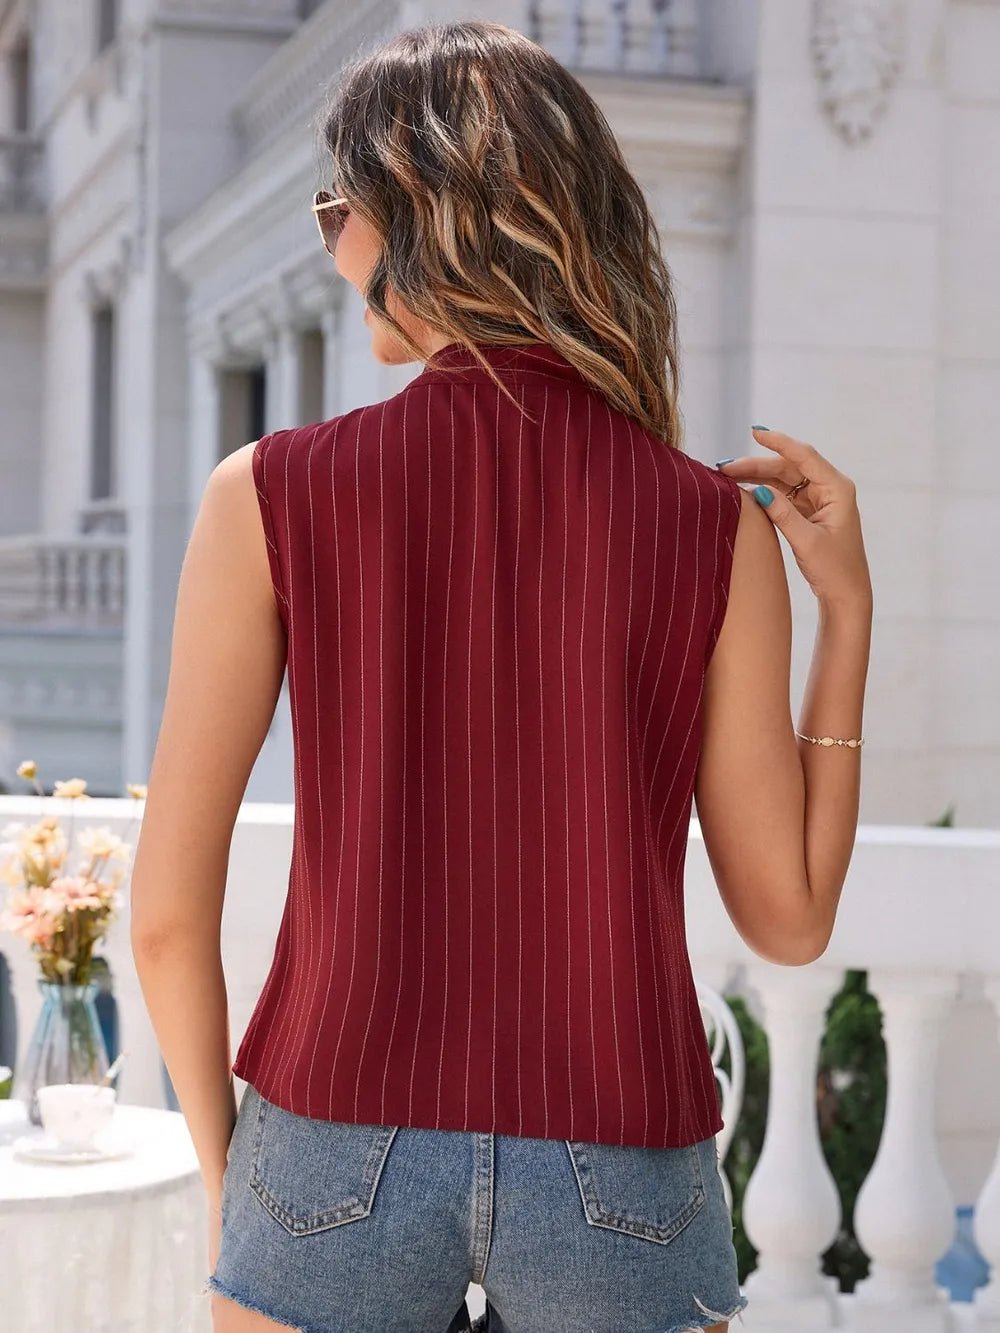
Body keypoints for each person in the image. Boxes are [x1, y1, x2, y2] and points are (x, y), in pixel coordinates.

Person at [129, 18, 873, 1333]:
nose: (331, 246)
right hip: (622, 1152)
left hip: (329, 1142)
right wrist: (848, 615)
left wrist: (234, 1187)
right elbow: (792, 920)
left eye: (337, 208)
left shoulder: (267, 495)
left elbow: (168, 917)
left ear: (422, 212)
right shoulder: (712, 527)